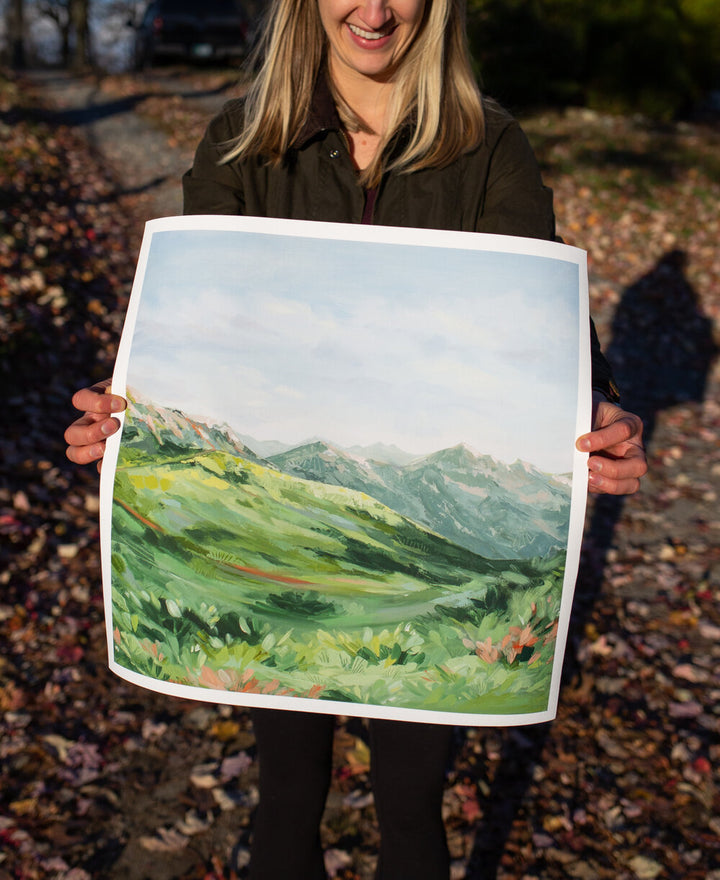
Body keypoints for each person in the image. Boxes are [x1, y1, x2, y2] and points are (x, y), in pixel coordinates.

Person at [65, 0, 648, 875]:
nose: (374, 11)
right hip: (264, 587)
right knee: (287, 790)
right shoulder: (241, 141)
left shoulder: (489, 146)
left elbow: (540, 320)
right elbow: (186, 336)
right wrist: (125, 415)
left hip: (423, 682)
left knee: (413, 801)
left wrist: (596, 406)